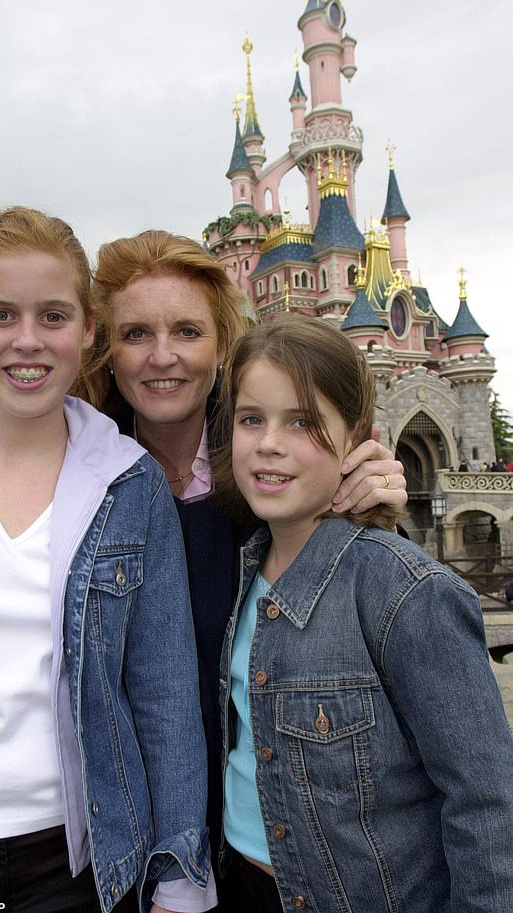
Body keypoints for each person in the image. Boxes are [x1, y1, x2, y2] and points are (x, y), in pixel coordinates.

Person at [0, 208, 215, 913]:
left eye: (53, 316)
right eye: (1, 314)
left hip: (83, 859)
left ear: (88, 328)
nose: (27, 340)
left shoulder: (130, 483)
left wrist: (180, 875)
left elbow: (165, 696)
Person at [71, 229, 408, 889]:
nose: (161, 357)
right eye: (135, 333)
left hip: (272, 838)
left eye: (188, 332)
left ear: (223, 344)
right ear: (106, 347)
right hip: (129, 832)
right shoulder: (79, 476)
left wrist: (370, 509)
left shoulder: (272, 475)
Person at [214, 315, 513, 913]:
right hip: (241, 886)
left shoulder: (403, 591)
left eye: (302, 422)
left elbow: (486, 802)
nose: (269, 442)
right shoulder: (238, 568)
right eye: (252, 420)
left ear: (359, 440)